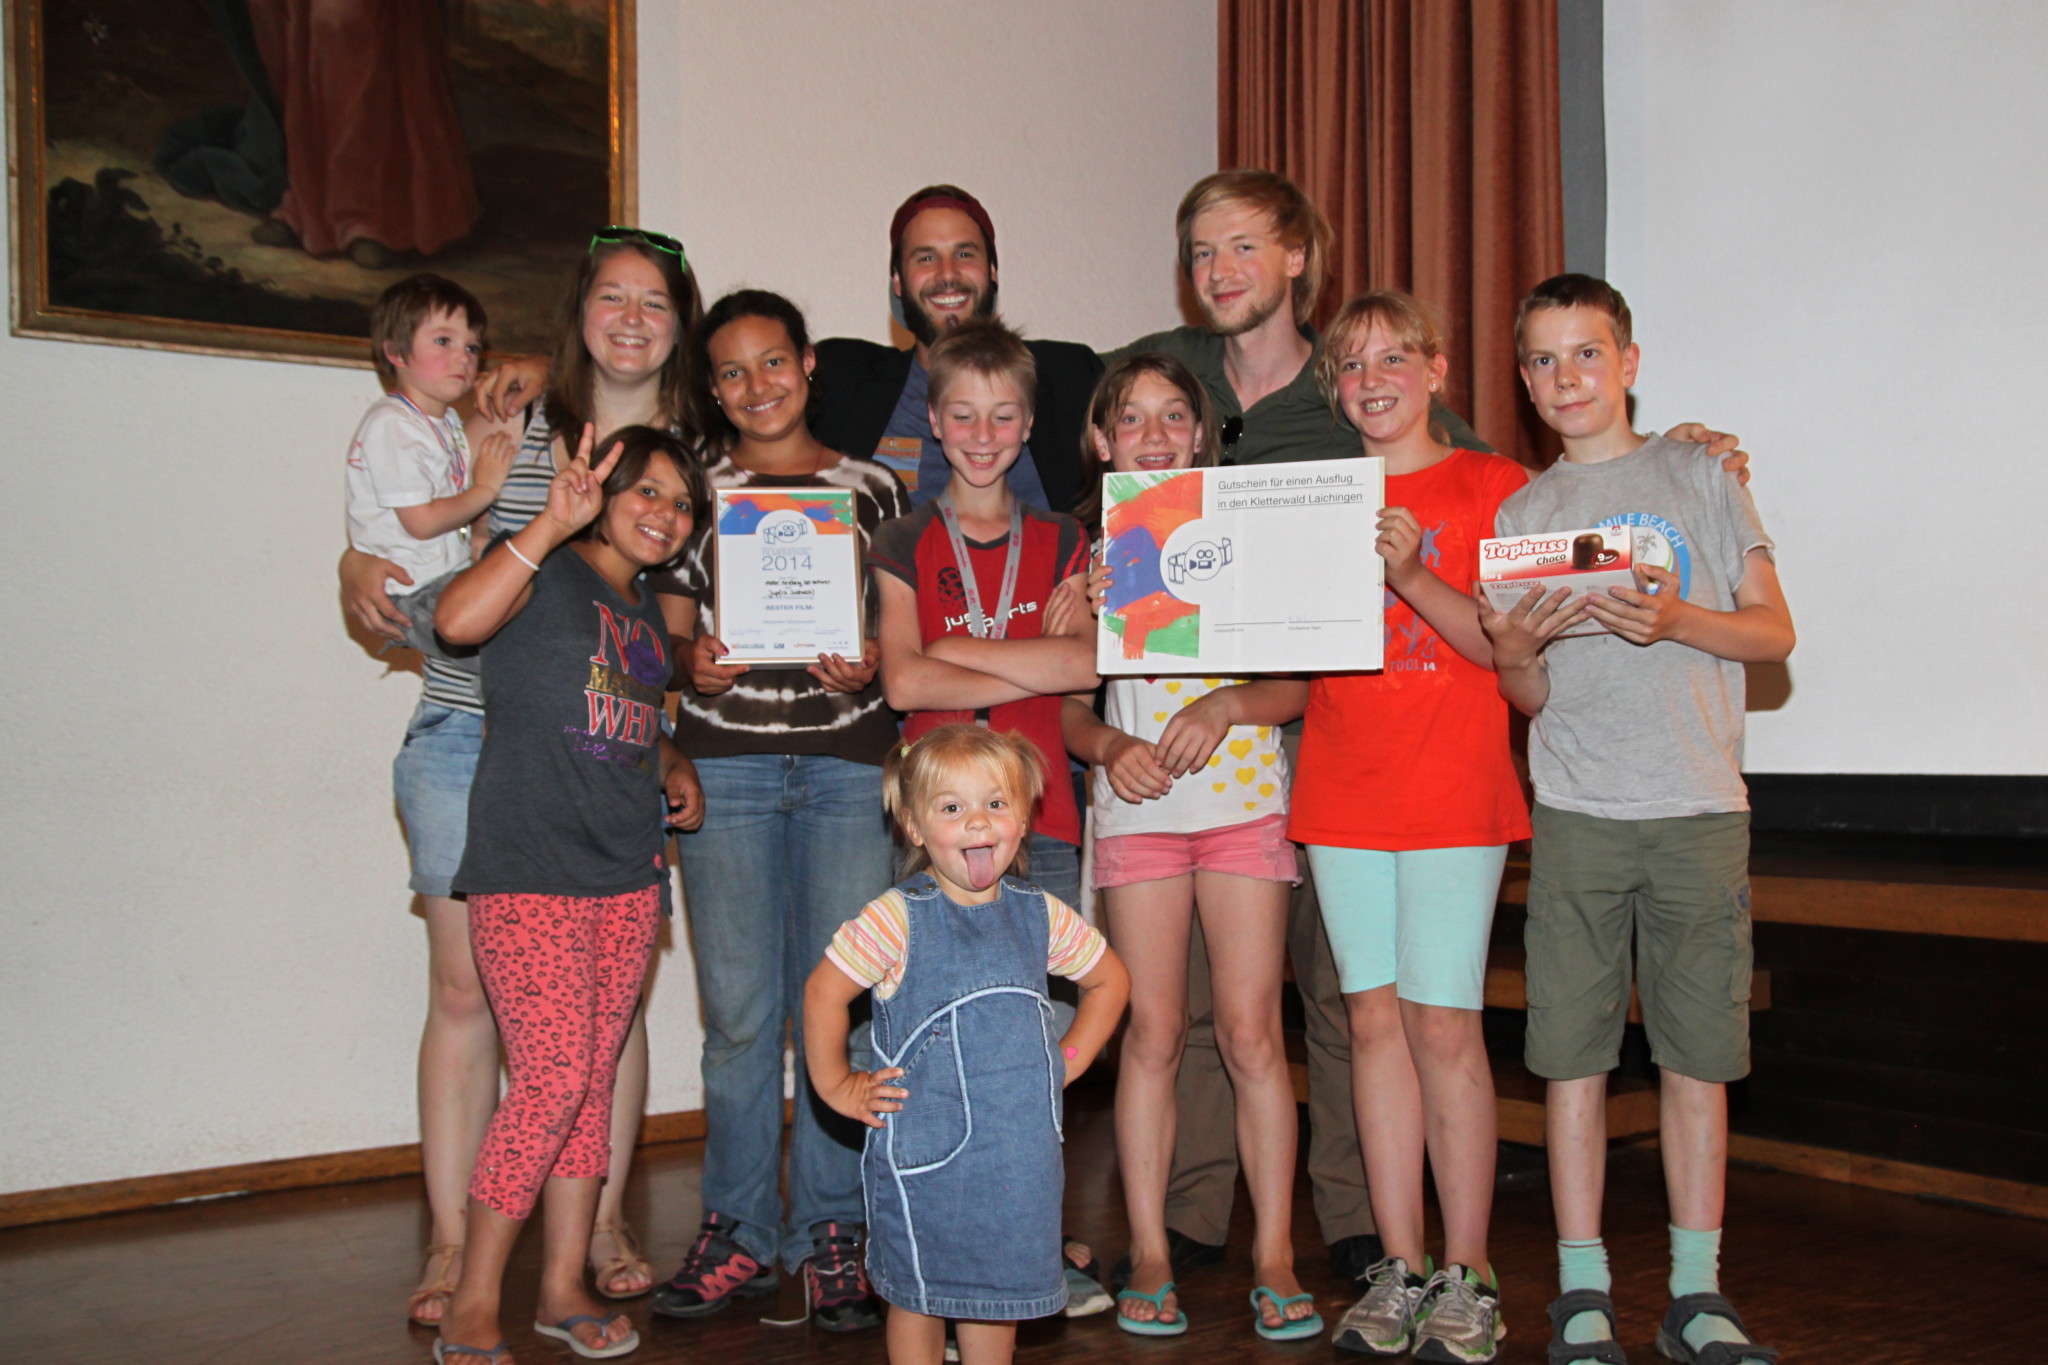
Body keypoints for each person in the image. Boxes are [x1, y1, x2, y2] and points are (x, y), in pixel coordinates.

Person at [339, 227, 705, 1316]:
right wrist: (358, 556)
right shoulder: (506, 414)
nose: (632, 317)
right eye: (611, 295)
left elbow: (661, 636)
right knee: (465, 994)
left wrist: (667, 734)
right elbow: (415, 536)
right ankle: (457, 1246)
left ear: (679, 325)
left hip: (607, 753)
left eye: (655, 301)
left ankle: (596, 1224)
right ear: (576, 307)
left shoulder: (692, 453)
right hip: (469, 731)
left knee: (606, 1019)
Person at [1479, 274, 1792, 1365]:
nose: (1566, 377)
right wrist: (1514, 654)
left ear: (1629, 362)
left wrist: (1675, 620)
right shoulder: (1521, 518)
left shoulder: (1700, 472)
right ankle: (1582, 1289)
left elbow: (1772, 634)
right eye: (1543, 359)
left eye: (1586, 352)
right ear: (1524, 380)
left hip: (1698, 808)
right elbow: (1527, 696)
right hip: (1576, 813)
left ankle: (1697, 1294)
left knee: (1695, 1059)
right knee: (1571, 1058)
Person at [645, 289, 907, 1330]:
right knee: (741, 1016)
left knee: (844, 1009)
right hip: (730, 770)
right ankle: (740, 1230)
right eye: (731, 371)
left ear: (807, 364)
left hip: (848, 766)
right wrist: (691, 663)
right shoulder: (693, 488)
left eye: (772, 361)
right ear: (713, 389)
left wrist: (874, 662)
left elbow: (898, 634)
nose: (756, 385)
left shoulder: (875, 489)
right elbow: (667, 635)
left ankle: (834, 1230)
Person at [430, 424, 707, 1364]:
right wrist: (546, 523)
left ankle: (559, 1285)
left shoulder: (643, 612)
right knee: (549, 1081)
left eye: (682, 503)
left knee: (586, 1086)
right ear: (603, 488)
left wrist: (673, 760)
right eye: (648, 490)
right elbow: (456, 622)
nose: (664, 513)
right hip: (529, 869)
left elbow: (629, 719)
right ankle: (474, 1299)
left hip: (624, 874)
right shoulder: (544, 568)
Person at [1291, 292, 1533, 1363]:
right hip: (1342, 791)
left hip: (1452, 794)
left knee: (1443, 1027)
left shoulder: (1494, 486)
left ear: (1436, 370)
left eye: (1394, 357)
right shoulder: (1315, 499)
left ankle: (1467, 1270)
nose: (1372, 379)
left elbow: (1503, 649)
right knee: (1372, 1025)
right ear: (1334, 390)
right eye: (1351, 365)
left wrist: (1408, 570)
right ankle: (1397, 1263)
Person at [1059, 355, 1321, 1341]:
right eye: (1132, 419)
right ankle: (1150, 1253)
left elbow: (1293, 688)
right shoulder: (1086, 552)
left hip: (1244, 807)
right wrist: (1109, 747)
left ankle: (1275, 1255)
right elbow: (1069, 715)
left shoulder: (1246, 539)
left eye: (1175, 416)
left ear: (1203, 434)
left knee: (1252, 1037)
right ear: (1103, 440)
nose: (1156, 435)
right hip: (1139, 816)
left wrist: (1225, 704)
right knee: (1153, 1036)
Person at [802, 724, 1131, 1365]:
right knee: (918, 1295)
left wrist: (1067, 1061)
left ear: (1023, 818)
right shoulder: (897, 917)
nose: (978, 821)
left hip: (1019, 1162)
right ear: (914, 827)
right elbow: (822, 993)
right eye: (952, 808)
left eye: (996, 803)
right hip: (924, 1161)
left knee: (997, 1298)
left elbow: (1110, 981)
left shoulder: (1039, 913)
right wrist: (837, 1085)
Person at [869, 320, 1098, 909]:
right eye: (963, 415)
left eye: (1003, 416)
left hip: (1040, 817)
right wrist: (1038, 667)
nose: (982, 435)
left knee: (1050, 972)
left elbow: (1085, 666)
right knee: (935, 972)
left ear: (1028, 423)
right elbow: (904, 684)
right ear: (934, 420)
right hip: (934, 821)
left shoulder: (1063, 535)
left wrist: (951, 651)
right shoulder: (900, 538)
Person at [808, 184, 1104, 513]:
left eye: (965, 254)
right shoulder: (842, 377)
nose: (947, 273)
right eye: (926, 258)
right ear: (899, 282)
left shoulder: (1071, 376)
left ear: (992, 272)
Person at [345, 274, 514, 665]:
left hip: (440, 579)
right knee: (514, 656)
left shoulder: (445, 420)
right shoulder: (393, 424)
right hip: (413, 591)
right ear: (396, 352)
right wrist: (485, 490)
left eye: (472, 347)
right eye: (443, 341)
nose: (463, 357)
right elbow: (421, 522)